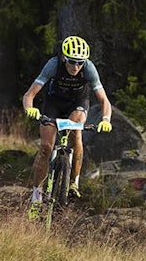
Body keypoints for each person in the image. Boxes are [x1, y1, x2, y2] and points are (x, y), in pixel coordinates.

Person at [21, 35, 112, 218]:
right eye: (72, 62)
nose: (76, 67)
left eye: (80, 62)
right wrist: (30, 110)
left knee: (76, 134)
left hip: (77, 103)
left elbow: (104, 100)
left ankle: (73, 183)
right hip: (53, 103)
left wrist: (106, 119)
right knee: (46, 147)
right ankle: (36, 197)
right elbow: (29, 95)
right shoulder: (53, 65)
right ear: (64, 57)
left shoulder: (89, 69)